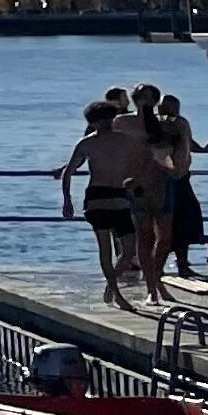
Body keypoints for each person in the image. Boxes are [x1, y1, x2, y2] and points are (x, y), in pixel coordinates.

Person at [58, 97, 150, 308]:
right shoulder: (87, 143)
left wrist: (136, 184)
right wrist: (67, 201)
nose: (106, 123)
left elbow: (141, 163)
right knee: (105, 248)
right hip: (97, 197)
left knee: (129, 251)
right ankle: (116, 293)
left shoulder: (126, 140)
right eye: (101, 120)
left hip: (120, 194)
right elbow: (69, 171)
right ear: (93, 122)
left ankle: (111, 283)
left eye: (109, 118)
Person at [142, 91, 206, 288]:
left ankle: (182, 263)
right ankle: (156, 267)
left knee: (187, 218)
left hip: (181, 177)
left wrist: (203, 149)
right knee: (169, 223)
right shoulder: (163, 124)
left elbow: (187, 143)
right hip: (166, 178)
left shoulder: (181, 123)